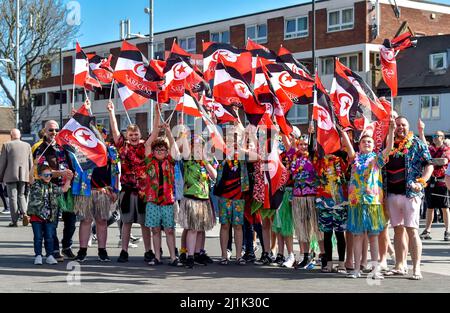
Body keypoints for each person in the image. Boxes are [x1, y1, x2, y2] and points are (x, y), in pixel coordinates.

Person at [340, 116, 395, 279]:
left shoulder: (377, 159)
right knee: (357, 235)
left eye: (370, 142)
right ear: (360, 145)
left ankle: (375, 270)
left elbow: (389, 148)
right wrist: (343, 133)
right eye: (364, 142)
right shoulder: (354, 158)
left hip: (373, 202)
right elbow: (348, 148)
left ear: (373, 145)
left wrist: (391, 129)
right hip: (357, 202)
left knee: (373, 236)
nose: (367, 144)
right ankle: (357, 269)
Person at [385, 116, 433, 280]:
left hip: (411, 193)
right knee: (397, 230)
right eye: (397, 125)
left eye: (403, 125)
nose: (400, 128)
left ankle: (416, 267)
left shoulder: (417, 143)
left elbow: (429, 164)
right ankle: (400, 265)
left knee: (412, 231)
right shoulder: (389, 144)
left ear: (408, 126)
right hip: (392, 193)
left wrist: (422, 182)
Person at [107, 100, 154, 263]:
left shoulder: (144, 147)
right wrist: (111, 112)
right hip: (126, 190)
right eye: (131, 134)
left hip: (142, 192)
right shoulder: (122, 146)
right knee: (126, 223)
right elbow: (114, 130)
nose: (134, 137)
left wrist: (158, 112)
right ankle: (124, 251)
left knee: (144, 224)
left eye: (136, 134)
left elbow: (154, 134)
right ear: (127, 135)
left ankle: (149, 251)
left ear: (140, 135)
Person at [72, 105, 120, 263]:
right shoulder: (82, 150)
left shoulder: (110, 150)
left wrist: (115, 190)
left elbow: (115, 172)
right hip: (86, 190)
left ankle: (102, 250)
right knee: (85, 220)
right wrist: (78, 117)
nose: (96, 137)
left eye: (99, 135)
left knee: (102, 221)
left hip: (103, 191)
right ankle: (82, 250)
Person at [177, 133, 217, 268]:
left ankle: (198, 253)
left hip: (204, 198)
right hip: (191, 198)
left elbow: (214, 175)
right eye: (195, 145)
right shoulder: (188, 159)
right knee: (192, 229)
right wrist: (183, 136)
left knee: (201, 229)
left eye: (201, 145)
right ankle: (189, 256)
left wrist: (205, 161)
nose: (198, 148)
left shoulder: (206, 160)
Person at [144, 121, 180, 266]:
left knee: (170, 230)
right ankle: (157, 257)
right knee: (155, 229)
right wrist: (155, 130)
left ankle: (173, 257)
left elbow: (175, 148)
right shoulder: (149, 161)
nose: (160, 151)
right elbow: (147, 145)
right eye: (157, 149)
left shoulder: (170, 161)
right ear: (153, 152)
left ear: (166, 151)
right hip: (152, 201)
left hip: (167, 200)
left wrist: (169, 131)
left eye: (163, 149)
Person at [28, 162, 73, 265]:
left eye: (50, 175)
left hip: (49, 217)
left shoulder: (53, 186)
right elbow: (30, 177)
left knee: (49, 237)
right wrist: (34, 166)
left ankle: (49, 255)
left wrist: (69, 179)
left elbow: (64, 189)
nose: (48, 177)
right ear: (40, 176)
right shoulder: (35, 184)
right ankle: (38, 255)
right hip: (36, 216)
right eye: (46, 175)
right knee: (38, 237)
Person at [418, 127, 450, 242]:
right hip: (430, 181)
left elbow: (444, 161)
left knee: (445, 207)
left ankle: (447, 230)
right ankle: (427, 230)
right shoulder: (430, 148)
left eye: (437, 136)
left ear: (442, 138)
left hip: (442, 181)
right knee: (430, 207)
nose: (434, 138)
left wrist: (429, 161)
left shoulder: (446, 149)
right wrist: (432, 160)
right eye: (434, 136)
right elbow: (424, 158)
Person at [0, 129, 33, 227]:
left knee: (12, 197)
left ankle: (14, 221)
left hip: (10, 175)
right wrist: (30, 176)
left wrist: (0, 176)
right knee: (21, 195)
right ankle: (25, 214)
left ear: (11, 135)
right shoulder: (27, 146)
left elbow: (2, 163)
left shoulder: (6, 145)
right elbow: (30, 163)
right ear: (20, 136)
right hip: (24, 175)